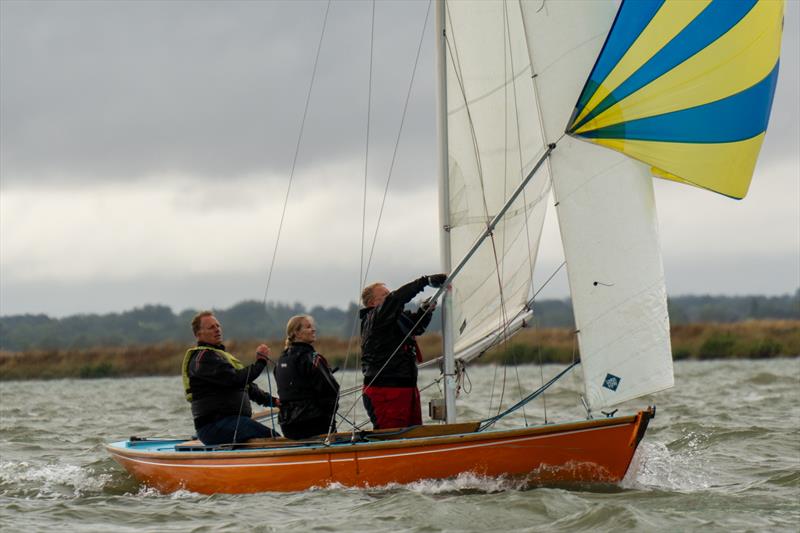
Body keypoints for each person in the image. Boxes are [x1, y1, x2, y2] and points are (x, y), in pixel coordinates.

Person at [360, 274, 447, 429]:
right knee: (393, 436)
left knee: (413, 433)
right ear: (373, 303)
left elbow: (416, 327)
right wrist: (424, 282)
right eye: (385, 295)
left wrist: (424, 311)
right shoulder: (374, 317)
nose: (389, 296)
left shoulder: (394, 319)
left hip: (406, 388)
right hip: (386, 391)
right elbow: (396, 299)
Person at [182, 311, 280, 445]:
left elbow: (248, 387)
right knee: (273, 438)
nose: (217, 329)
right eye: (211, 327)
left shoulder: (219, 356)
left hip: (232, 423)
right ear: (198, 334)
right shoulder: (203, 358)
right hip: (214, 426)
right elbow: (236, 380)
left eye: (218, 326)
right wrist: (260, 362)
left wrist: (275, 402)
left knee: (269, 436)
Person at [274, 315, 340, 439]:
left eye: (313, 326)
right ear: (297, 333)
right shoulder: (313, 358)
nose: (313, 329)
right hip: (314, 422)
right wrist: (329, 416)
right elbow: (332, 390)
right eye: (308, 327)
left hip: (288, 425)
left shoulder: (280, 361)